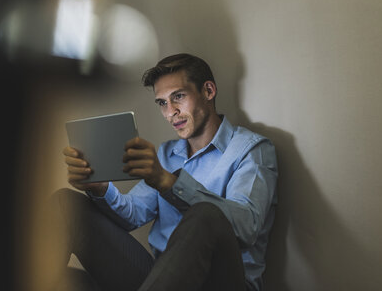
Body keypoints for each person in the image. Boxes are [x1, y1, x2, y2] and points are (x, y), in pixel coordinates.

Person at [54, 53, 278, 291]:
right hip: (161, 280)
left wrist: (168, 182)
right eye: (162, 103)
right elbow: (131, 215)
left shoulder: (251, 149)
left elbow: (247, 227)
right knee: (65, 204)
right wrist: (98, 188)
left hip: (220, 284)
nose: (170, 112)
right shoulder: (167, 154)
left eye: (178, 97)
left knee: (206, 215)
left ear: (208, 91)